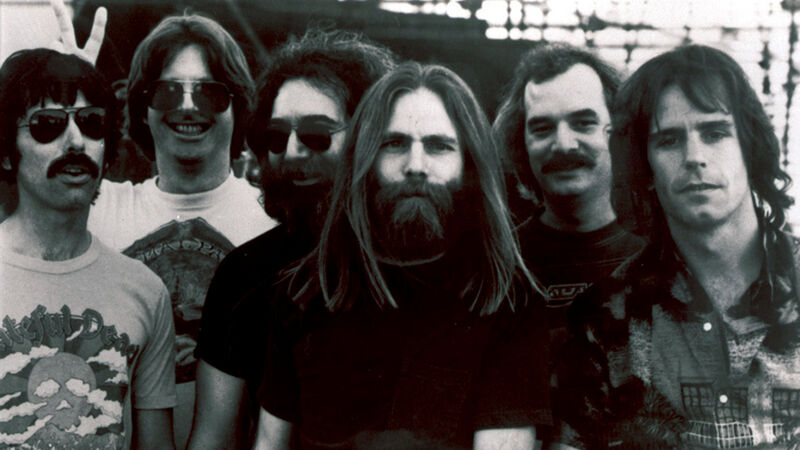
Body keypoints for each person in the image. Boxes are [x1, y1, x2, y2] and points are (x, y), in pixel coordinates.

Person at [253, 62, 552, 449]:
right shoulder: (305, 291)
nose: (415, 166)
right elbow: (268, 444)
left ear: (468, 163)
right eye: (394, 144)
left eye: (439, 146)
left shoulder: (509, 301)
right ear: (365, 159)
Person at [556, 44, 798, 448]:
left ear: (749, 147)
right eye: (669, 140)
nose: (694, 157)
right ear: (645, 167)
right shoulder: (605, 320)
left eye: (715, 133)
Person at [189, 29, 396, 449]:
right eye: (277, 137)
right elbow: (213, 438)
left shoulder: (415, 262)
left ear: (371, 138)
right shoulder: (243, 275)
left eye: (317, 136)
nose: (293, 152)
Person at [82, 12, 276, 447]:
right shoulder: (95, 211)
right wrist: (57, 93)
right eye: (167, 91)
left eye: (211, 93)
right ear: (143, 110)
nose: (188, 106)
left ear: (239, 107)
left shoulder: (272, 220)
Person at [0, 48, 176, 449]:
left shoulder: (145, 292)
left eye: (92, 123)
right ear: (7, 154)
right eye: (48, 125)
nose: (76, 142)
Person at [493, 43, 644, 445]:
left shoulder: (660, 256)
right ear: (521, 142)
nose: (563, 144)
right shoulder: (497, 263)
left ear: (619, 133)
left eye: (583, 123)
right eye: (542, 128)